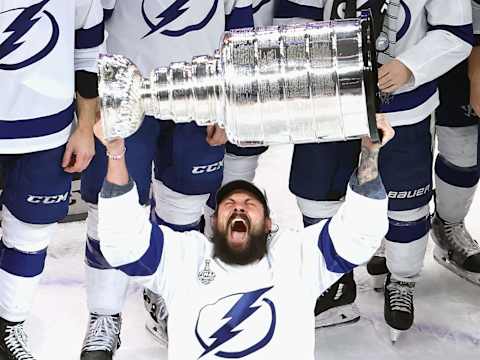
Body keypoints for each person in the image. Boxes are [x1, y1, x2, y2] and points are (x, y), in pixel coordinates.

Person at [90, 113, 392, 360]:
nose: (239, 208)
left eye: (249, 205)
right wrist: (115, 152)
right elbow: (125, 244)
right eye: (229, 205)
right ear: (213, 222)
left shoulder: (296, 257)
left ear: (269, 223)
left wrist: (370, 152)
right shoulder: (185, 257)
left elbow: (359, 233)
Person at [274, 0, 473, 341]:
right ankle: (333, 282)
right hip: (327, 98)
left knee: (406, 200)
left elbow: (455, 33)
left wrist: (410, 66)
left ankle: (402, 278)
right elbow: (293, 19)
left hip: (404, 109)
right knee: (318, 193)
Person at [80, 1, 255, 358]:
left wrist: (228, 100)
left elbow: (239, 31)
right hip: (128, 96)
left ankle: (171, 297)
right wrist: (94, 97)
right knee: (110, 208)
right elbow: (90, 23)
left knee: (184, 208)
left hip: (202, 95)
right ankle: (104, 315)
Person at [0, 0, 103, 358]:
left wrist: (86, 127)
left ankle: (9, 325)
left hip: (48, 133)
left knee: (30, 235)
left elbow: (88, 51)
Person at [431, 0, 480, 285]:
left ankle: (448, 225)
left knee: (462, 146)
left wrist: (476, 75)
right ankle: (395, 233)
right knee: (397, 145)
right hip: (397, 46)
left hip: (462, 50)